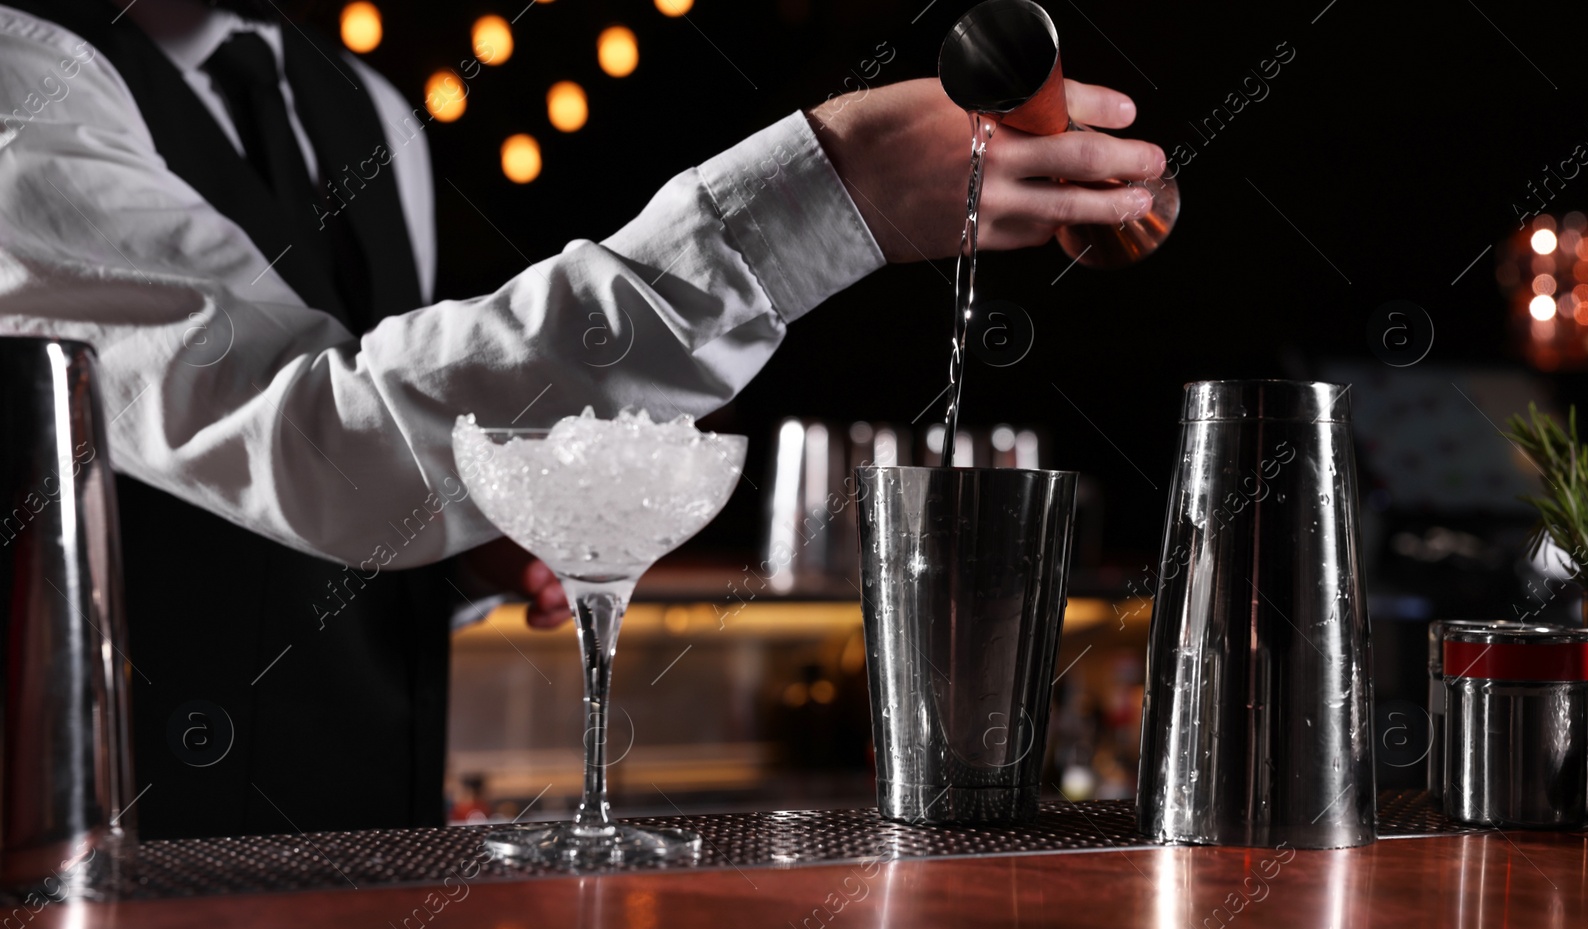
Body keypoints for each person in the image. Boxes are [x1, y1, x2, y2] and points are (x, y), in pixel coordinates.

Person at [0, 0, 1166, 839]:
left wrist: (462, 539)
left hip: (370, 844)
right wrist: (820, 198)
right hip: (116, 858)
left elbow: (387, 434)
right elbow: (319, 437)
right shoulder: (20, 68)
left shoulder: (355, 102)